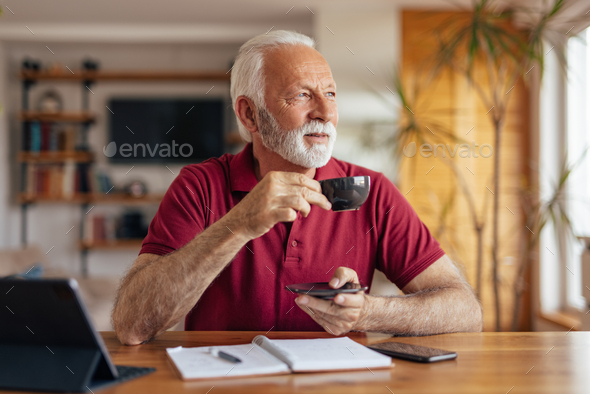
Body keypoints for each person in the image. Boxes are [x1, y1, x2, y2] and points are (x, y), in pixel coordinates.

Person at [112, 30, 483, 345]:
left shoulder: (373, 190)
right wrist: (238, 224)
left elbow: (463, 310)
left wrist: (367, 312)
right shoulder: (200, 187)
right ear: (249, 114)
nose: (325, 111)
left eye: (331, 94)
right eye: (302, 95)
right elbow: (131, 325)